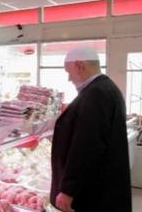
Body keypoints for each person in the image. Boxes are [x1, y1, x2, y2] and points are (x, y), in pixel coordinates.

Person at [50, 46, 132, 212]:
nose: (69, 78)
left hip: (95, 190)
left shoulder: (96, 93)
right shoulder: (107, 87)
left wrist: (68, 189)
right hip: (103, 184)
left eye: (69, 72)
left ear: (80, 66)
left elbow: (87, 145)